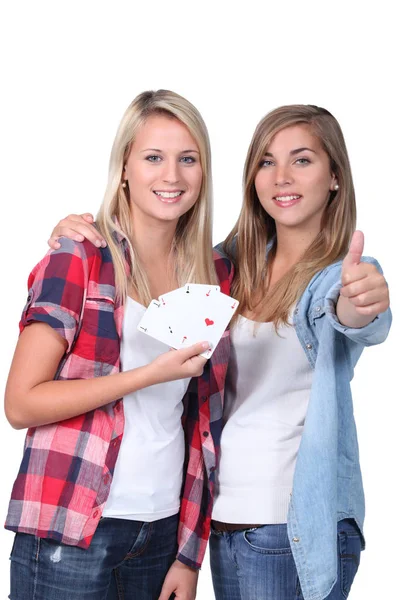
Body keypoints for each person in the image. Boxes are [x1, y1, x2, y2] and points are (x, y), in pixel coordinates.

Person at [45, 104, 391, 600]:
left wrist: (365, 305)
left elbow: (358, 317)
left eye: (303, 161)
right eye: (266, 162)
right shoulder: (227, 268)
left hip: (291, 524)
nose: (281, 177)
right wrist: (72, 228)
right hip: (224, 523)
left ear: (335, 176)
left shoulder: (339, 277)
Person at [4, 89, 233, 600]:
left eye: (187, 159)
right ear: (125, 166)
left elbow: (201, 427)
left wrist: (188, 555)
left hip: (159, 531)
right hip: (72, 524)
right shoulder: (80, 257)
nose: (171, 176)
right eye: (154, 157)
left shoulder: (215, 275)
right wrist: (149, 374)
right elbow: (21, 403)